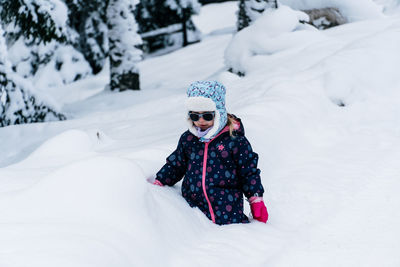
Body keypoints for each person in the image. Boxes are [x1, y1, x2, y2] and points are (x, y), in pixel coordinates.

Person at [152, 81, 268, 225]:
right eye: (195, 116)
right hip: (194, 215)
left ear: (218, 112)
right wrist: (159, 182)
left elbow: (248, 172)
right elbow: (176, 164)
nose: (200, 121)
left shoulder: (234, 140)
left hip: (228, 214)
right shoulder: (188, 139)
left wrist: (255, 199)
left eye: (207, 116)